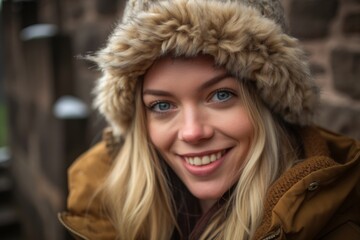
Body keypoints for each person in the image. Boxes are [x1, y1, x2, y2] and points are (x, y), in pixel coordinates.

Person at [58, 0, 360, 239]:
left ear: (268, 101)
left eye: (221, 95)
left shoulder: (336, 225)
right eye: (162, 104)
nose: (192, 132)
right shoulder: (99, 206)